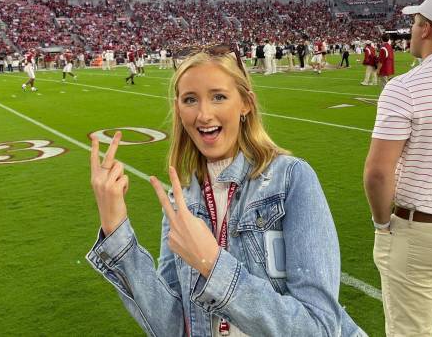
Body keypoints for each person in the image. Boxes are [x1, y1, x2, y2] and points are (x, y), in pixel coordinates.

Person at [87, 45, 365, 336]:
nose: (204, 114)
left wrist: (213, 264)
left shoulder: (290, 178)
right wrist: (115, 225)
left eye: (218, 96)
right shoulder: (183, 197)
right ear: (178, 109)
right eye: (190, 99)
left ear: (246, 103)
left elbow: (319, 328)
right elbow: (172, 328)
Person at [364, 0, 432, 337]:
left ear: (427, 29)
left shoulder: (405, 87)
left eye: (415, 22)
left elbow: (378, 173)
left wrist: (381, 224)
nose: (410, 29)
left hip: (421, 229)